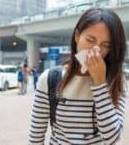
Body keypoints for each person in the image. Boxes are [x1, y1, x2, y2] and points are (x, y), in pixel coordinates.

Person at [29, 8, 127, 145]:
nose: (95, 50)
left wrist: (100, 83)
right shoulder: (50, 79)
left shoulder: (116, 80)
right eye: (90, 40)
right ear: (77, 36)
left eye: (106, 45)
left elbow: (112, 138)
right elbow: (35, 137)